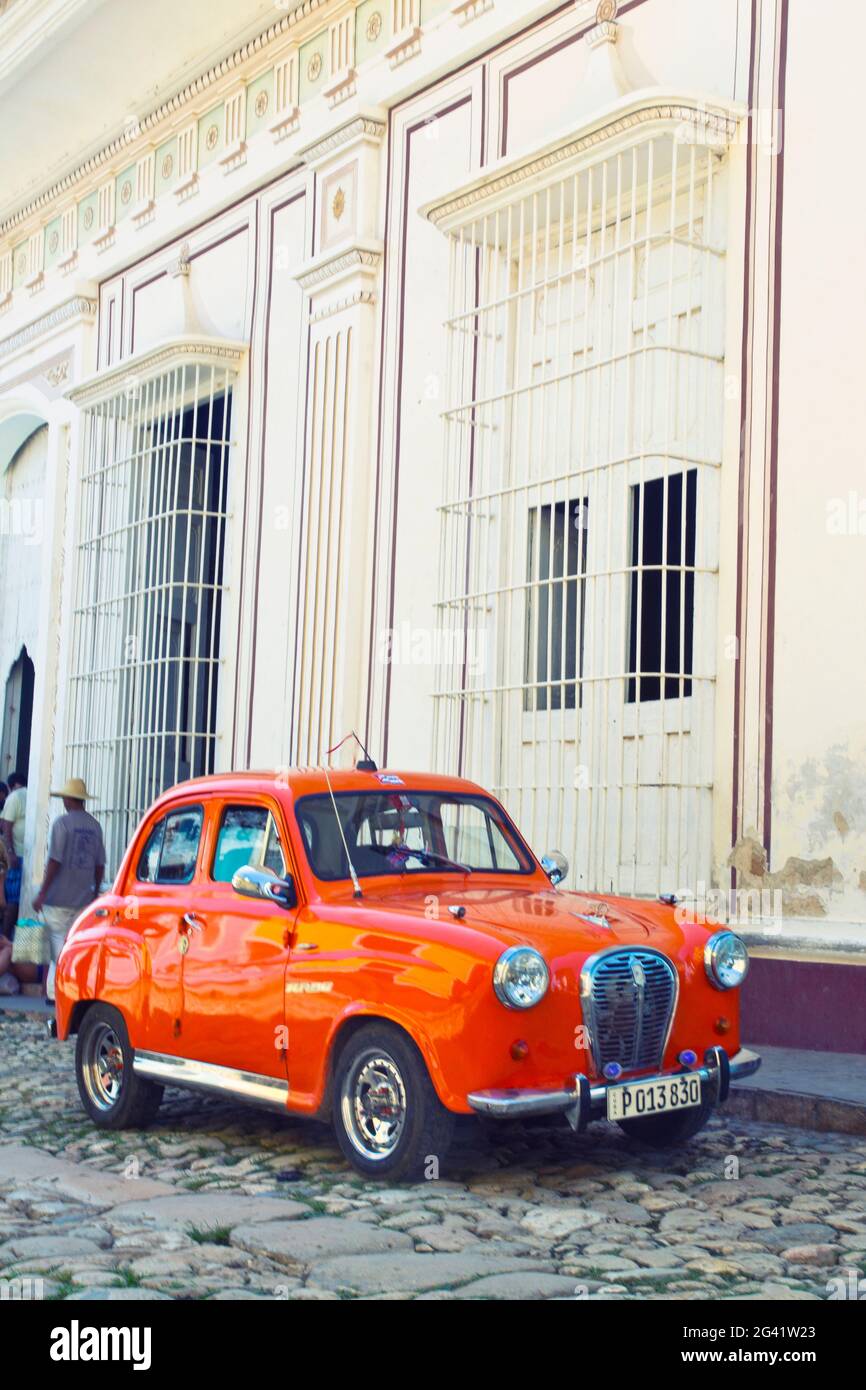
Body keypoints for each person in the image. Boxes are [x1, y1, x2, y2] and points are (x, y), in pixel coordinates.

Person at [32, 777, 105, 1003]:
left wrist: (42, 893)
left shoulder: (61, 824)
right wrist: (94, 894)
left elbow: (54, 861)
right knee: (76, 947)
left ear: (68, 799)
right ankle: (75, 990)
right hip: (83, 898)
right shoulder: (95, 826)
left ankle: (55, 994)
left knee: (57, 948)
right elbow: (100, 865)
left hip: (58, 898)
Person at [0, 770, 26, 937]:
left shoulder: (15, 797)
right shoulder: (22, 796)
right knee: (13, 900)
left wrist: (10, 853)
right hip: (20, 856)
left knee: (12, 900)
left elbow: (5, 826)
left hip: (17, 856)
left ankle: (5, 938)